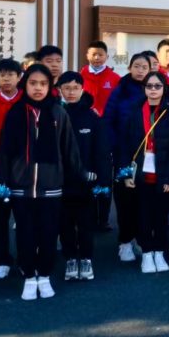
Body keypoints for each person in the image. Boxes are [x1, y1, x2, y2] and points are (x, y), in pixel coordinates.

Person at [0, 65, 85, 300]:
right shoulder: (15, 112)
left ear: (50, 86)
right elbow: (4, 150)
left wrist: (77, 177)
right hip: (21, 186)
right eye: (33, 83)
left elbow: (69, 149)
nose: (38, 88)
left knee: (48, 233)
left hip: (51, 186)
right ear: (24, 84)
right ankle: (28, 276)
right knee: (25, 234)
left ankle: (44, 275)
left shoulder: (58, 113)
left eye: (43, 84)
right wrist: (3, 179)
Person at [118, 71, 169, 274]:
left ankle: (159, 252)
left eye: (158, 86)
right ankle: (147, 253)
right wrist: (126, 174)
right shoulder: (134, 112)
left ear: (164, 89)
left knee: (161, 217)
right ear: (144, 89)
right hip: (141, 176)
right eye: (149, 86)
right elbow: (124, 146)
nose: (153, 90)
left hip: (163, 175)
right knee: (143, 217)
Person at [58, 71, 111, 282]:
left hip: (86, 182)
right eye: (66, 88)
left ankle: (87, 259)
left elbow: (102, 152)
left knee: (86, 224)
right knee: (65, 224)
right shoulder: (54, 114)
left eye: (75, 88)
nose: (71, 92)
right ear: (59, 90)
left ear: (82, 89)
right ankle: (70, 258)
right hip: (60, 182)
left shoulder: (93, 117)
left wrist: (102, 180)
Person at [104, 52, 150, 262]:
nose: (140, 70)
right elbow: (108, 120)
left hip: (147, 154)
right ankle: (125, 241)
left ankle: (139, 238)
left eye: (144, 67)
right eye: (136, 66)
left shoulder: (153, 89)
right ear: (130, 68)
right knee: (124, 198)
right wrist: (115, 147)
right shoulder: (120, 90)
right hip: (123, 152)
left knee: (143, 199)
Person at [0, 58, 23, 279]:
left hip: (23, 171)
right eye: (2, 75)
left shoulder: (27, 102)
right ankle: (2, 260)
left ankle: (25, 258)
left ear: (19, 77)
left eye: (11, 74)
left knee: (25, 218)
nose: (6, 79)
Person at [80, 40, 121, 117]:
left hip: (108, 118)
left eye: (100, 55)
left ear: (107, 57)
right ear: (87, 56)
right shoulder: (80, 77)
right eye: (93, 54)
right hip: (84, 117)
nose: (97, 58)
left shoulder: (115, 78)